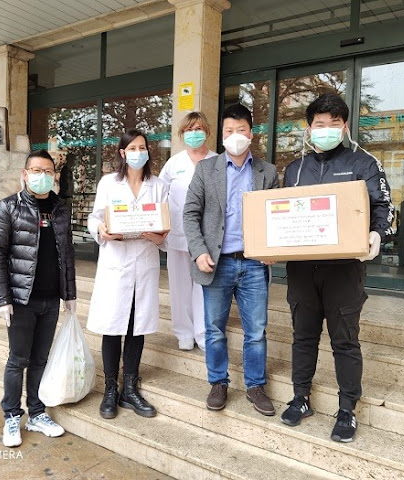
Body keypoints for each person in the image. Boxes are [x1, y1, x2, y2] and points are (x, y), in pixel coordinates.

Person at [280, 93, 393, 443]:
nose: (326, 129)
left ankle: (347, 409)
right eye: (319, 124)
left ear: (344, 127)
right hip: (302, 270)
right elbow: (279, 213)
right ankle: (300, 398)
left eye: (333, 123)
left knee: (345, 341)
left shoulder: (364, 164)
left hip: (344, 270)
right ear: (309, 128)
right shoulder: (295, 170)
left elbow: (384, 206)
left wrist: (377, 233)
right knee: (303, 336)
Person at [183, 104, 279, 417]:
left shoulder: (267, 172)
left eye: (241, 130)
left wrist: (273, 249)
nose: (235, 136)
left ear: (251, 134)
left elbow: (276, 215)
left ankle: (255, 385)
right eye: (229, 131)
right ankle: (218, 382)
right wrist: (199, 250)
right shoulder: (206, 169)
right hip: (217, 262)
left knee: (256, 330)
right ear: (222, 135)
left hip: (254, 264)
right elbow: (190, 213)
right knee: (214, 328)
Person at [0, 149, 77, 448]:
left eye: (48, 171)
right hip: (21, 300)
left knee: (40, 359)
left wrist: (70, 294)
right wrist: (2, 299)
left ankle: (37, 413)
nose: (42, 176)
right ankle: (12, 415)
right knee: (18, 360)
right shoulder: (8, 208)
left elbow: (67, 253)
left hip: (51, 300)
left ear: (54, 175)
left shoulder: (60, 209)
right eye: (36, 171)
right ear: (25, 175)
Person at [86, 129, 168, 420]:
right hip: (116, 264)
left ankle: (129, 389)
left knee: (137, 326)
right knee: (112, 326)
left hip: (144, 263)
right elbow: (95, 218)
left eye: (142, 147)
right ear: (122, 153)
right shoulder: (109, 183)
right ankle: (110, 388)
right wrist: (101, 230)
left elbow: (165, 225)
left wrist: (159, 237)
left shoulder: (158, 185)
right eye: (132, 148)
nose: (137, 153)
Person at [159, 112, 217, 352]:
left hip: (207, 238)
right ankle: (183, 332)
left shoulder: (217, 161)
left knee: (203, 287)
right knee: (180, 286)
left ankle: (203, 333)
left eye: (198, 129)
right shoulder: (173, 164)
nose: (194, 134)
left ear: (207, 132)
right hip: (177, 235)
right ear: (182, 135)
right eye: (189, 130)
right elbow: (160, 198)